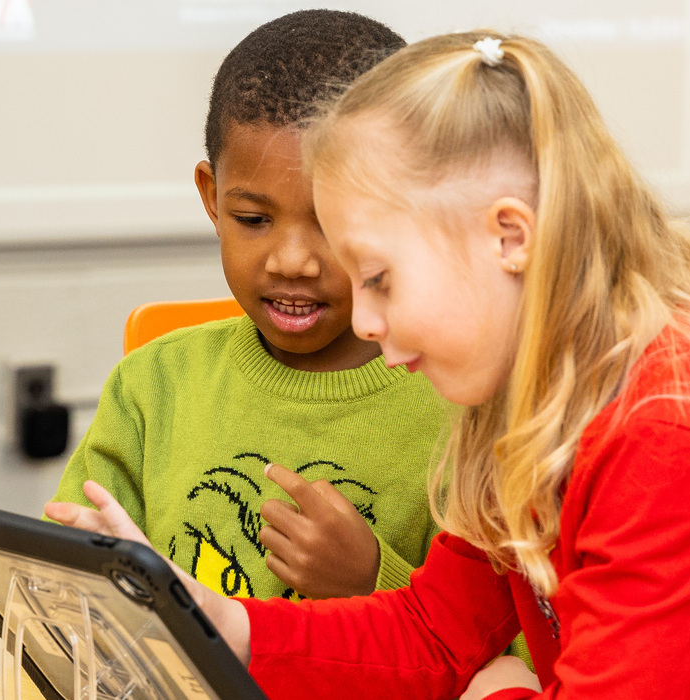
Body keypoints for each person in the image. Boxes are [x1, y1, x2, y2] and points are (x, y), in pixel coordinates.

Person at [52, 32, 690, 700]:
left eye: (382, 279)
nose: (366, 323)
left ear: (507, 237)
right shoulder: (523, 406)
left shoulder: (675, 431)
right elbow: (436, 635)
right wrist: (224, 626)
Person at [44, 10, 439, 604]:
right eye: (253, 220)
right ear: (211, 198)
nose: (291, 262)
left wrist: (369, 582)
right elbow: (57, 582)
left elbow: (531, 661)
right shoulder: (153, 387)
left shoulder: (466, 412)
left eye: (331, 223)